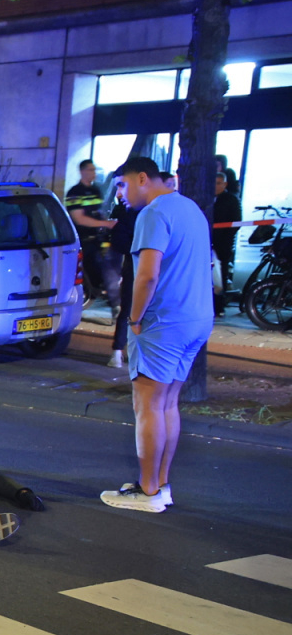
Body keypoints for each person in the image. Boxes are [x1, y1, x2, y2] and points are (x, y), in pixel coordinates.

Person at [102, 155, 215, 512]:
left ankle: (147, 490)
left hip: (163, 321)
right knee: (167, 404)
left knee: (147, 405)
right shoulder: (191, 208)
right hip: (195, 318)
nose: (120, 192)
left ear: (141, 178)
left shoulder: (153, 214)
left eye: (122, 184)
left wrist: (134, 318)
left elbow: (147, 275)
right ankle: (161, 484)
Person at [65, 159, 117, 303]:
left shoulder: (96, 191)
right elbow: (79, 219)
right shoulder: (74, 192)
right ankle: (87, 296)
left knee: (100, 267)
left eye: (94, 170)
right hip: (82, 239)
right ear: (82, 171)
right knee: (85, 269)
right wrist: (106, 224)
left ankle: (99, 292)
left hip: (97, 238)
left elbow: (98, 212)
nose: (93, 173)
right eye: (90, 170)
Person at [105, 174, 136, 364]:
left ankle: (120, 351)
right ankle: (118, 350)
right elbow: (119, 241)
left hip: (137, 266)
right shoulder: (127, 211)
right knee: (128, 310)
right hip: (134, 267)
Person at [212, 171, 241, 315]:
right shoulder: (206, 198)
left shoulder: (231, 200)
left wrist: (226, 238)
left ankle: (218, 306)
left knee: (220, 275)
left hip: (222, 244)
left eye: (218, 183)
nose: (215, 187)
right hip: (206, 242)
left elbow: (236, 222)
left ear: (225, 184)